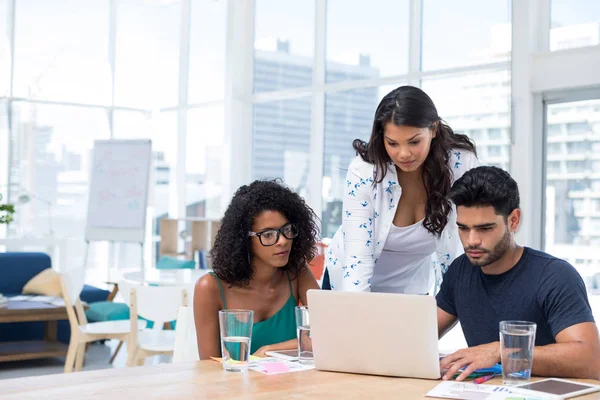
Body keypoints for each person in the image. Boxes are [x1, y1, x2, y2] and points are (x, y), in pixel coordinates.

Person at [437, 166, 600, 381]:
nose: (471, 240)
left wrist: (499, 352)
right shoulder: (460, 271)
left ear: (513, 220)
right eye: (463, 228)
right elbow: (418, 336)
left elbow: (590, 360)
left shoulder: (554, 276)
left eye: (485, 228)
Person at [324, 85, 479, 294]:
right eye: (393, 143)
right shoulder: (364, 172)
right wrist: (357, 318)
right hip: (349, 283)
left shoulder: (459, 164)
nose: (404, 154)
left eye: (414, 142)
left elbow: (471, 235)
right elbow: (357, 261)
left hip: (413, 287)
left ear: (433, 129)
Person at [193, 180, 320, 359]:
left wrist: (268, 351)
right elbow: (208, 367)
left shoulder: (297, 272)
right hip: (233, 386)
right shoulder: (209, 288)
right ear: (243, 239)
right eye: (268, 234)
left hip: (291, 385)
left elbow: (327, 337)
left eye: (287, 229)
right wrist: (295, 345)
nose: (282, 240)